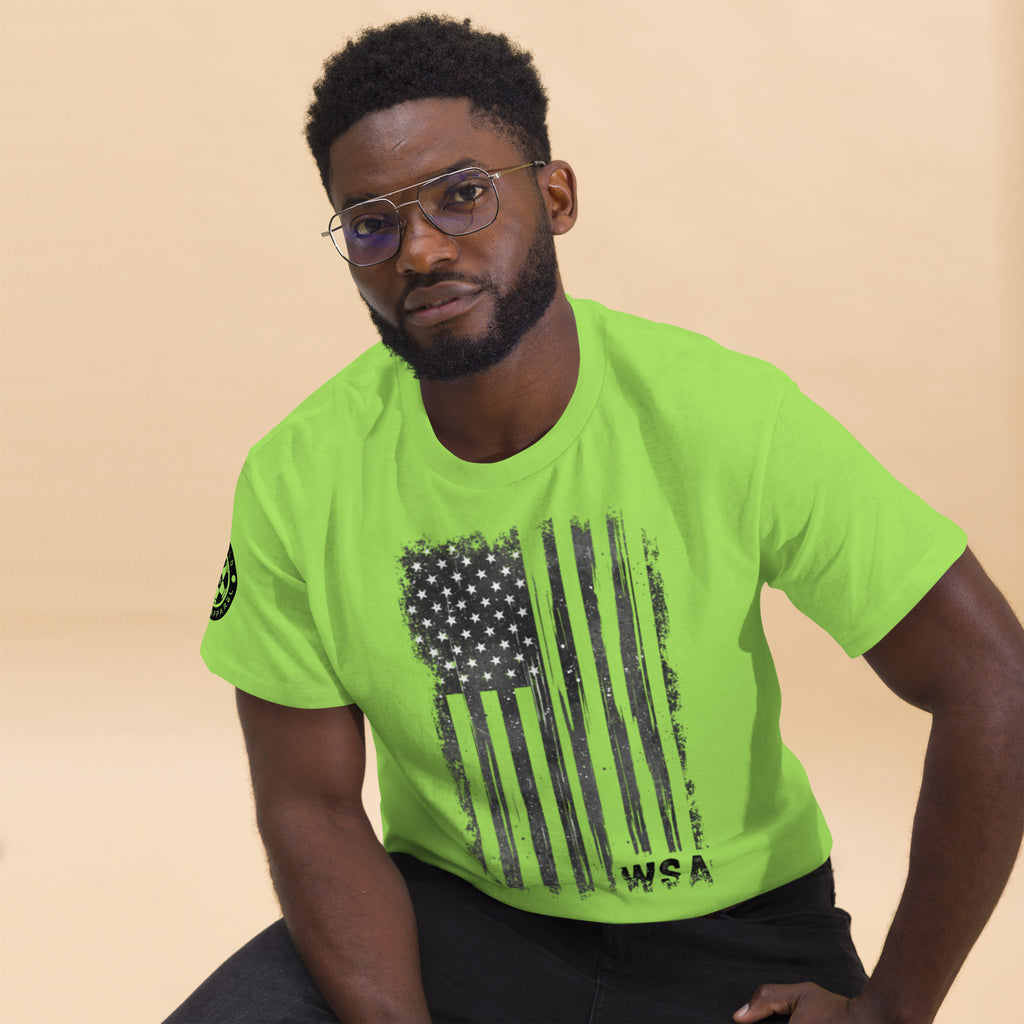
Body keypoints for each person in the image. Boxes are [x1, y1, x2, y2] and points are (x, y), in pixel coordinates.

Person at [165, 14, 1024, 1024]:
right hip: (457, 922)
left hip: (735, 939)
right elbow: (307, 800)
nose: (421, 250)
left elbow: (992, 681)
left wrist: (891, 1010)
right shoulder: (298, 475)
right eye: (371, 224)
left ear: (555, 195)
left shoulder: (723, 414)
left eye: (462, 195)